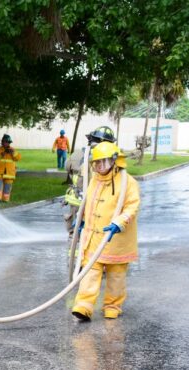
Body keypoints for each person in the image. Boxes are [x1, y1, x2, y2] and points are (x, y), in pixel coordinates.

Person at [71, 141, 140, 321]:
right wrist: (82, 220)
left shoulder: (127, 182)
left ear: (114, 160)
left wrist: (119, 222)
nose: (99, 166)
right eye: (96, 162)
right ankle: (83, 306)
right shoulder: (95, 179)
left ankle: (112, 306)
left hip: (117, 240)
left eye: (103, 162)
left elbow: (132, 206)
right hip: (94, 236)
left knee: (116, 276)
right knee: (90, 271)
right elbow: (90, 202)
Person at [64, 126, 118, 237]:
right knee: (90, 233)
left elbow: (67, 167)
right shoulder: (104, 157)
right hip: (92, 199)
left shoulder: (77, 153)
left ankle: (75, 247)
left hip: (75, 198)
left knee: (75, 233)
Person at [0, 134, 21, 203]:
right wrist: (2, 154)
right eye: (5, 142)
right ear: (2, 142)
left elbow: (18, 158)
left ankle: (5, 200)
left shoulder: (13, 150)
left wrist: (13, 153)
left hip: (10, 173)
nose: (6, 144)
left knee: (7, 187)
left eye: (7, 142)